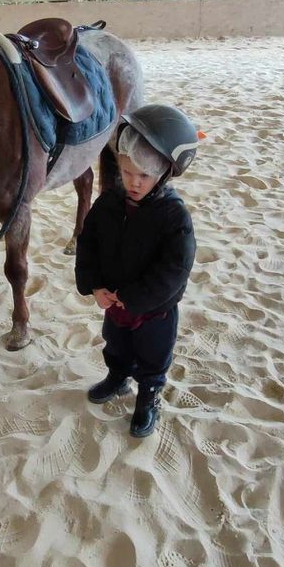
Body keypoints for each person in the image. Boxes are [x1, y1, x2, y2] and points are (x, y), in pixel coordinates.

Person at [75, 105, 198, 438]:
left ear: (164, 173)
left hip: (152, 311)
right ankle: (117, 378)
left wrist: (133, 298)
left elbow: (174, 270)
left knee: (153, 356)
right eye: (126, 172)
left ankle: (148, 396)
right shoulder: (109, 203)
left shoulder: (174, 217)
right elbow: (89, 243)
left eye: (144, 175)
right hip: (114, 304)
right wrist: (94, 285)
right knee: (115, 346)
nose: (133, 182)